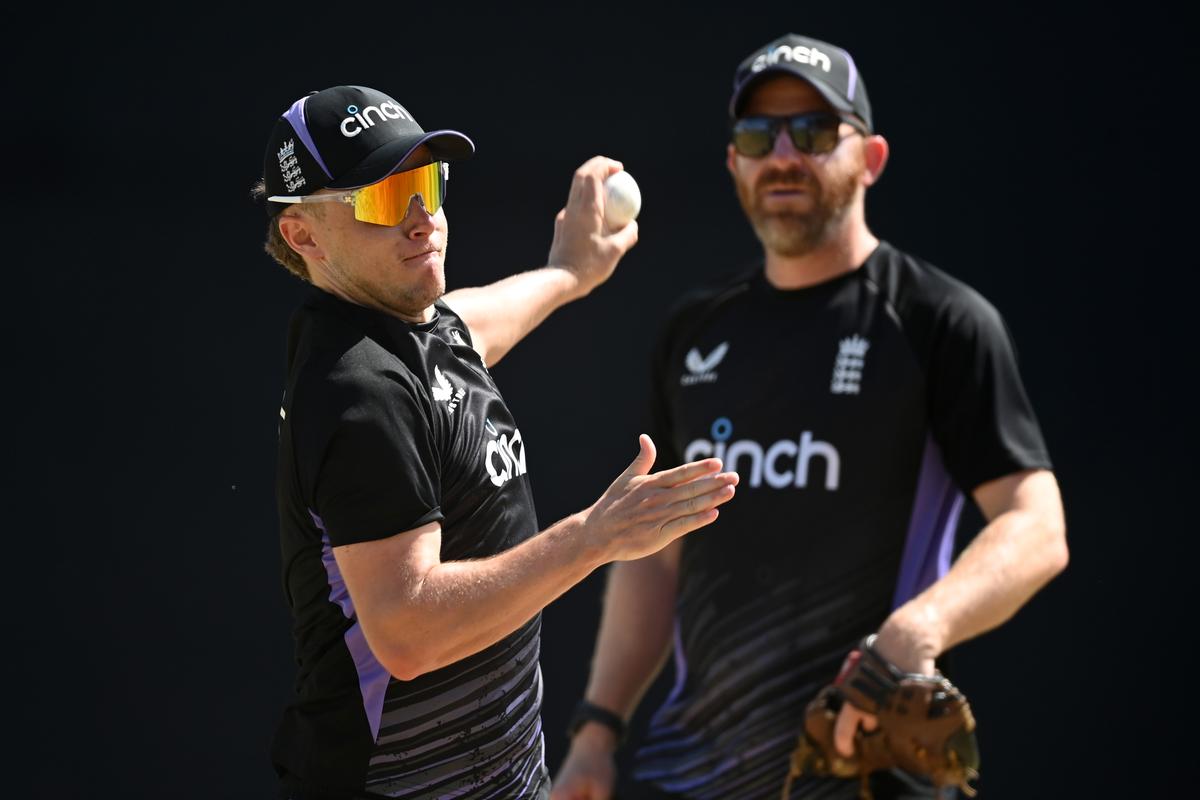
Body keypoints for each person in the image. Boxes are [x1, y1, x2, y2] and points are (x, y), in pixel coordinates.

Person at [551, 33, 1068, 800]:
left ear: (872, 157)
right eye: (759, 135)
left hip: (868, 766)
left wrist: (916, 632)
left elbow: (1036, 525)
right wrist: (597, 731)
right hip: (697, 775)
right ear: (734, 164)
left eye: (816, 131)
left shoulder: (939, 320)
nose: (784, 154)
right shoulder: (695, 332)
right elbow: (655, 558)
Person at [252, 85, 740, 800]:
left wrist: (567, 273)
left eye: (426, 184)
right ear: (304, 235)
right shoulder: (359, 391)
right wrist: (594, 537)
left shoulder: (416, 328)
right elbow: (408, 630)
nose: (424, 220)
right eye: (386, 201)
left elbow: (471, 327)